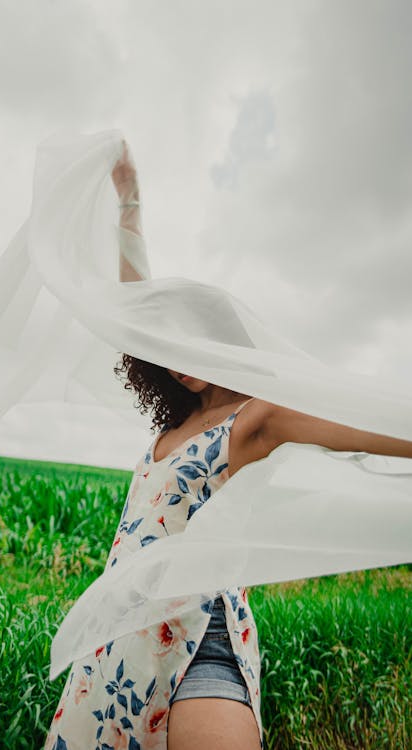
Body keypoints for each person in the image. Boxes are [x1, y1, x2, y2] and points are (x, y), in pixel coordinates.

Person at [42, 142, 412, 750]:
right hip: (120, 643)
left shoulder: (252, 420)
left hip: (196, 634)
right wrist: (130, 198)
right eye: (172, 341)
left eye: (198, 338)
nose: (182, 355)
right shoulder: (177, 423)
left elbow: (365, 420)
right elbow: (135, 308)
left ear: (226, 341)